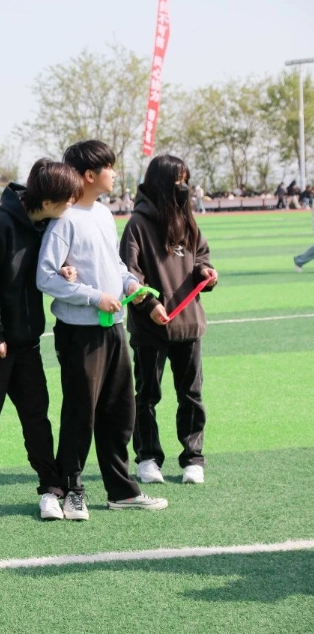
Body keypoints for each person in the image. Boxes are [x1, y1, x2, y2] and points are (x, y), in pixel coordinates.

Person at [36, 140, 168, 521]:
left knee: (119, 410)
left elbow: (116, 265)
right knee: (81, 413)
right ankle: (71, 490)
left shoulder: (105, 214)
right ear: (89, 175)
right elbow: (46, 277)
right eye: (108, 167)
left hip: (114, 328)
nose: (114, 173)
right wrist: (94, 297)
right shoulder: (64, 220)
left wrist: (131, 285)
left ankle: (121, 490)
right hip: (80, 334)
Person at [0, 159, 82, 522]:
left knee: (36, 419)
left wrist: (62, 270)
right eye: (67, 199)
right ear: (46, 201)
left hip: (27, 345)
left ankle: (50, 489)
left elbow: (42, 271)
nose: (71, 205)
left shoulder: (45, 225)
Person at [119, 154, 218, 486]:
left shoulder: (187, 220)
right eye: (178, 181)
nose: (183, 187)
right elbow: (129, 275)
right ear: (162, 183)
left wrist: (205, 272)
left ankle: (193, 458)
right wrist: (149, 305)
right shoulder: (137, 225)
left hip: (188, 324)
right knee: (147, 395)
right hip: (151, 327)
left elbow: (200, 257)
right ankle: (148, 457)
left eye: (185, 180)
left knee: (191, 394)